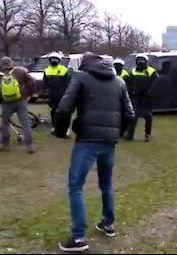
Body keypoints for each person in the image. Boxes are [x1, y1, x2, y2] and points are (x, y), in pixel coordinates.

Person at [54, 53, 134, 252]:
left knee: (75, 185)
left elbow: (64, 108)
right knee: (106, 183)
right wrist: (118, 132)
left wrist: (61, 130)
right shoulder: (119, 81)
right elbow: (130, 114)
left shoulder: (80, 77)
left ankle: (78, 236)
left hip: (88, 139)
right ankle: (108, 223)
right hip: (109, 140)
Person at [0, 57, 36, 153]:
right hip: (21, 100)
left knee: (5, 123)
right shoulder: (21, 71)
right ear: (11, 63)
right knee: (25, 123)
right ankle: (29, 146)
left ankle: (4, 144)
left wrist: (1, 101)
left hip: (7, 102)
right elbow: (32, 82)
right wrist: (28, 94)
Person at [126, 54, 158, 142]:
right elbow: (130, 83)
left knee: (148, 116)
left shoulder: (151, 71)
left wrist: (150, 91)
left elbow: (155, 84)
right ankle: (130, 134)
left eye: (142, 60)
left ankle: (148, 134)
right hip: (136, 97)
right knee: (133, 115)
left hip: (147, 97)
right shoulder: (133, 71)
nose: (140, 62)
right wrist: (131, 91)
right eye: (138, 60)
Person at [43, 52, 71, 135]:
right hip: (52, 95)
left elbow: (69, 81)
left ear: (59, 60)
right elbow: (45, 83)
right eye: (52, 59)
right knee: (53, 111)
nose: (53, 60)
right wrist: (45, 92)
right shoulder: (46, 70)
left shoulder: (64, 69)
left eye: (55, 59)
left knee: (64, 111)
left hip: (63, 94)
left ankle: (66, 128)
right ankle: (54, 127)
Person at [113, 58, 130, 137]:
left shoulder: (125, 75)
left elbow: (128, 87)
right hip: (113, 96)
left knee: (124, 115)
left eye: (119, 65)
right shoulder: (112, 74)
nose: (117, 67)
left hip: (123, 97)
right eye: (116, 65)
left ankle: (122, 131)